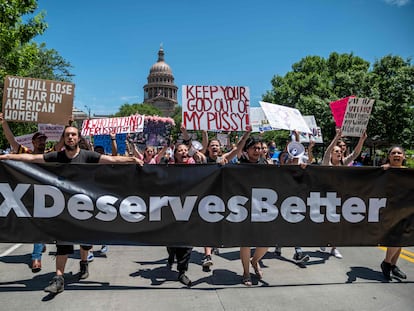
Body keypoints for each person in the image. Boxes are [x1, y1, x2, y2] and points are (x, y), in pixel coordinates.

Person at [0, 126, 144, 294]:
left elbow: (111, 161)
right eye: (67, 135)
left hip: (84, 207)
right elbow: (33, 159)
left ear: (78, 138)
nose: (70, 137)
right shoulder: (57, 156)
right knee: (62, 242)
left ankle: (84, 264)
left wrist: (132, 160)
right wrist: (6, 157)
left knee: (85, 241)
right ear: (64, 138)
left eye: (73, 135)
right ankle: (59, 278)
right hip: (63, 208)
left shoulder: (87, 156)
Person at [321, 128, 368, 258]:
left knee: (337, 223)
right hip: (326, 198)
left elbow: (355, 154)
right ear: (331, 154)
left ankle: (334, 247)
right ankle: (325, 240)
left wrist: (362, 140)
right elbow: (327, 151)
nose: (339, 153)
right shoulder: (326, 163)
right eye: (336, 151)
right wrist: (337, 137)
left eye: (340, 151)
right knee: (326, 222)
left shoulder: (344, 163)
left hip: (340, 198)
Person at [165, 143, 205, 287]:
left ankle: (182, 271)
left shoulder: (194, 167)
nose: (183, 152)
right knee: (171, 240)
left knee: (187, 242)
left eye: (185, 150)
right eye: (180, 150)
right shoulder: (168, 167)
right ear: (175, 154)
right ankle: (171, 253)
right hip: (172, 208)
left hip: (190, 209)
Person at [237, 135, 270, 286]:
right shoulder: (240, 162)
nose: (258, 151)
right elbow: (237, 149)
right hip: (243, 206)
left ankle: (255, 261)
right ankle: (245, 272)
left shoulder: (266, 163)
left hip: (262, 206)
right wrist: (245, 135)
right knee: (245, 241)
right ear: (247, 150)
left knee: (265, 241)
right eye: (254, 148)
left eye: (260, 148)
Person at [380, 146, 407, 281]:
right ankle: (386, 263)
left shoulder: (409, 173)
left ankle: (393, 265)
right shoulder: (384, 171)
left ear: (404, 156)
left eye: (399, 153)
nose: (396, 155)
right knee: (396, 238)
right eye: (393, 153)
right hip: (390, 209)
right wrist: (382, 171)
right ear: (389, 156)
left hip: (406, 210)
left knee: (402, 239)